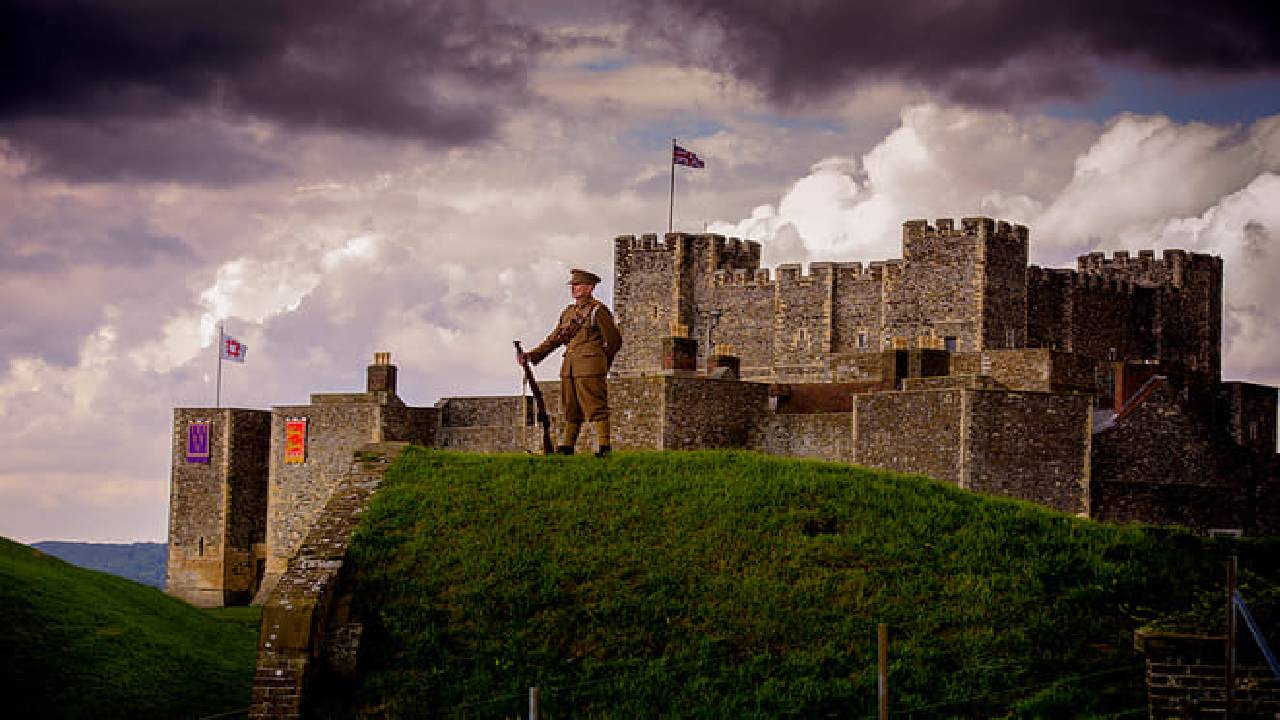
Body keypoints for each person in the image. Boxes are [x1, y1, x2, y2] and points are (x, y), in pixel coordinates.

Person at [518, 268, 622, 456]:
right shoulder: (568, 312)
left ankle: (604, 446)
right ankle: (567, 446)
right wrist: (532, 355)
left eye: (578, 285)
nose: (573, 288)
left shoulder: (598, 310)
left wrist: (600, 362)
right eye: (572, 285)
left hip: (590, 367)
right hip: (570, 368)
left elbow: (614, 340)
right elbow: (555, 339)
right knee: (571, 408)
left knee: (597, 407)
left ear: (590, 288)